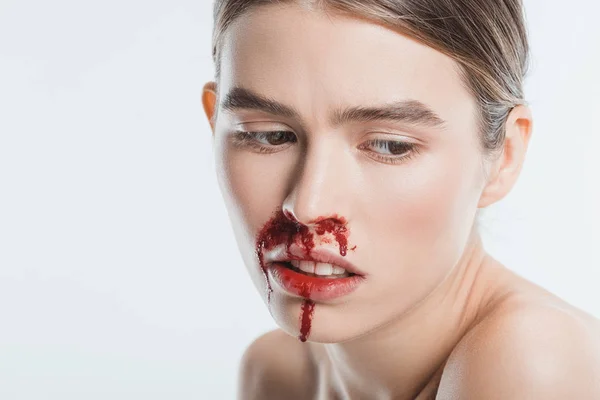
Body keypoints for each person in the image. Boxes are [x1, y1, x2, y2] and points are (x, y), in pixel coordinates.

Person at [201, 0, 600, 398]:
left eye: (390, 146)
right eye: (269, 135)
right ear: (215, 123)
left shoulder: (533, 363)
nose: (308, 206)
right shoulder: (275, 371)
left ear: (505, 155)